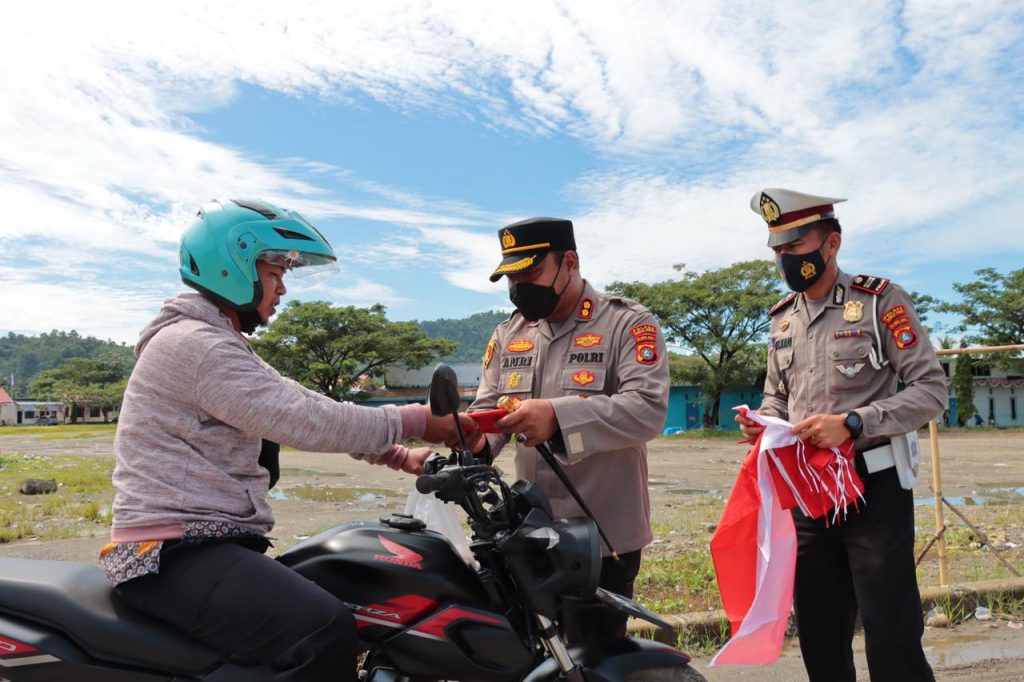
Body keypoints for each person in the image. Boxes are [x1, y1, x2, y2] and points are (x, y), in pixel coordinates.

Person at [103, 198, 473, 682]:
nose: (281, 288)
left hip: (201, 545)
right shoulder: (196, 345)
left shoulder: (219, 341)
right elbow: (300, 419)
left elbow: (299, 400)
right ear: (232, 267)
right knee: (321, 629)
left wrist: (399, 455)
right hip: (171, 553)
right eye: (275, 272)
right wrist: (415, 420)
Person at [736, 188, 946, 681]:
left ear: (831, 243)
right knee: (820, 634)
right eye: (777, 249)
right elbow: (778, 397)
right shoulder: (782, 319)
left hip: (873, 491)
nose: (784, 258)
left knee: (890, 633)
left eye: (794, 245)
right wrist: (762, 420)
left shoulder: (878, 301)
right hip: (808, 497)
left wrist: (853, 423)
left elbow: (931, 390)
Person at [464, 217, 670, 643]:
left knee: (595, 658)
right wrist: (477, 439)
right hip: (530, 532)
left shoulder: (627, 324)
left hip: (603, 537)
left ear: (570, 263)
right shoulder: (509, 333)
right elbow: (490, 410)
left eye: (531, 274)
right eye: (511, 279)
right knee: (532, 655)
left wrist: (557, 417)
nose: (519, 288)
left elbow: (647, 409)